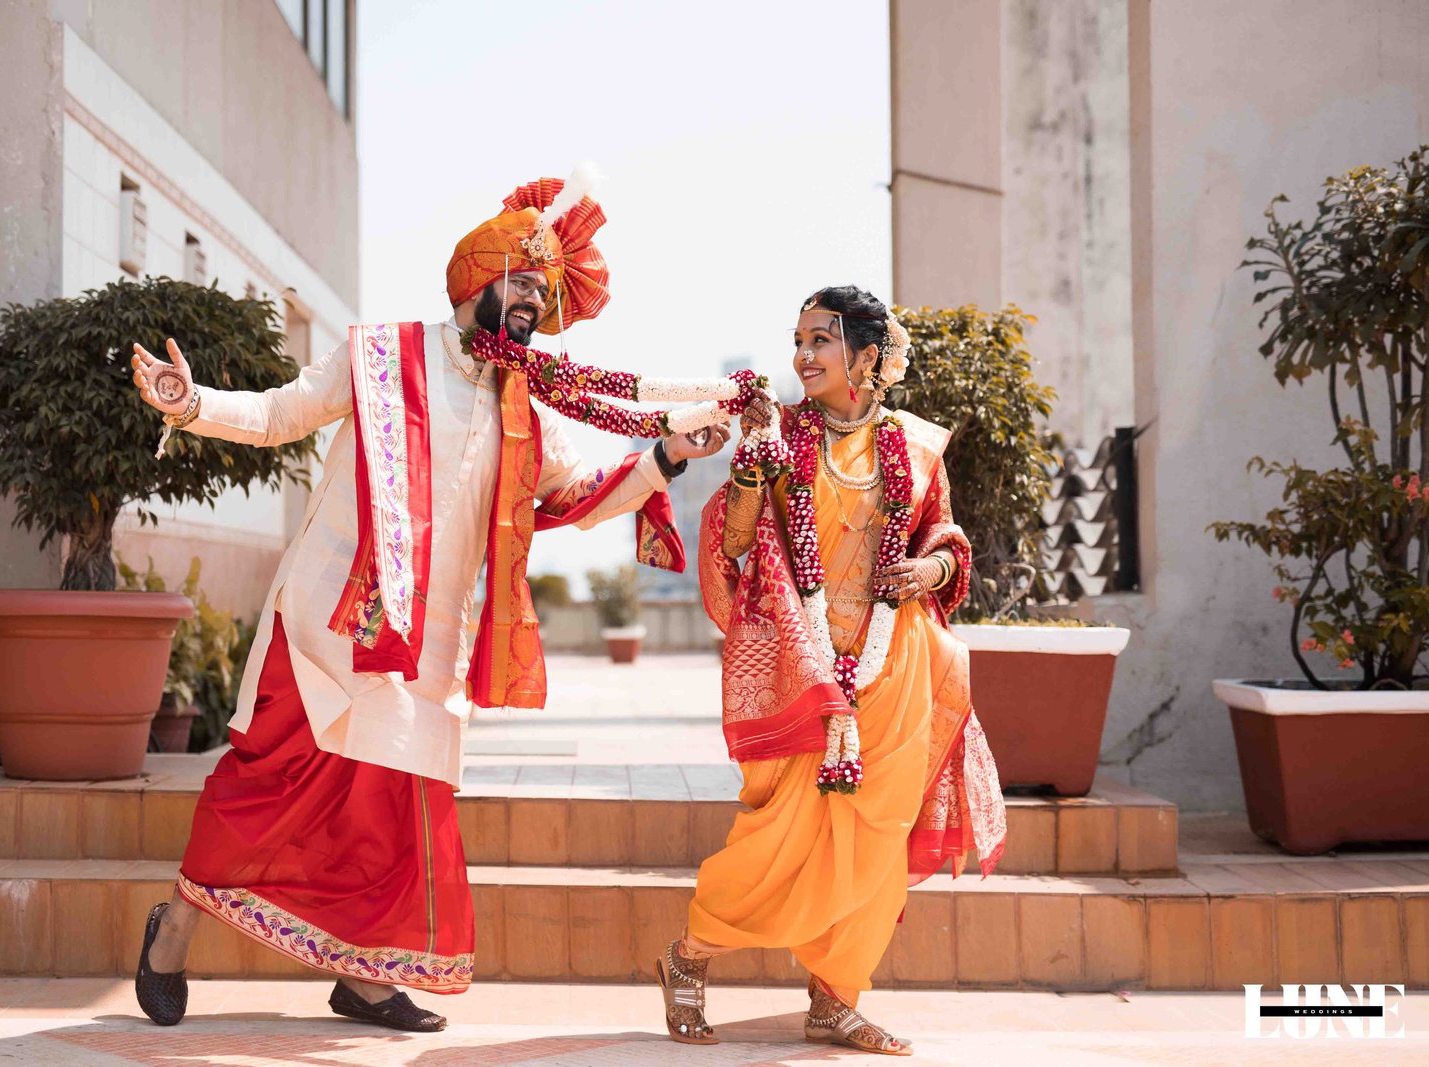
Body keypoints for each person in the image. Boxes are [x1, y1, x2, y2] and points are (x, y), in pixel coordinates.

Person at [126, 173, 729, 1031]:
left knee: (393, 816)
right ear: (478, 277)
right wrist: (191, 404)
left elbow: (571, 496)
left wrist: (666, 455)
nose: (534, 302)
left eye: (545, 291)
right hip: (332, 618)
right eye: (522, 283)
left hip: (432, 644)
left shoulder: (527, 400)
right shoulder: (381, 355)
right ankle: (175, 930)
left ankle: (366, 979)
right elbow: (280, 414)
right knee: (263, 782)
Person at [655, 286, 1006, 1056]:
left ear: (868, 356)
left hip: (893, 668)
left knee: (876, 844)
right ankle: (689, 955)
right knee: (776, 835)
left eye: (820, 339)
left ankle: (835, 998)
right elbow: (736, 544)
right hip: (803, 665)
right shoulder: (781, 433)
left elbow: (946, 538)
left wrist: (929, 570)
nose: (802, 355)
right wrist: (752, 473)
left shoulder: (917, 445)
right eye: (799, 340)